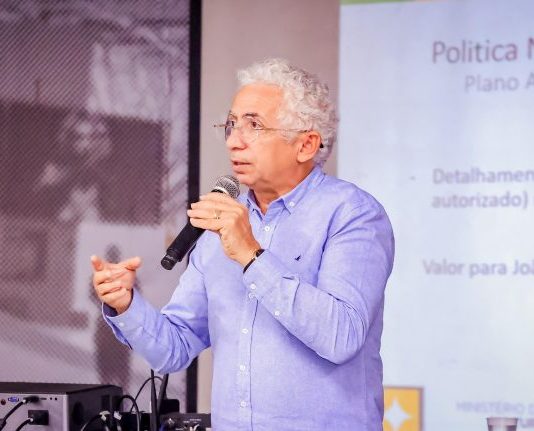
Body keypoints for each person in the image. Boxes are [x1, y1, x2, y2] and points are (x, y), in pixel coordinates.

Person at [91, 58, 394, 431]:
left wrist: (252, 256)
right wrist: (126, 305)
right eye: (231, 125)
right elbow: (174, 348)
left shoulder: (353, 214)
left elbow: (341, 337)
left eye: (254, 125)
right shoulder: (222, 222)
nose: (234, 140)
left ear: (305, 145)